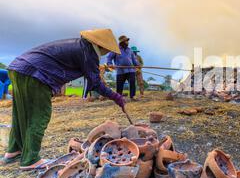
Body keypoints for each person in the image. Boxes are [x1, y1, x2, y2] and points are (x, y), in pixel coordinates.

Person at [0, 29, 126, 170]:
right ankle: (30, 160)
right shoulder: (88, 52)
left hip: (18, 68)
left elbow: (85, 69)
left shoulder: (79, 46)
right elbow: (95, 83)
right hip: (35, 74)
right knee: (40, 116)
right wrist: (116, 97)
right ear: (102, 46)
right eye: (107, 50)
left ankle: (13, 151)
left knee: (20, 114)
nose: (107, 53)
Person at [107, 35, 140, 100]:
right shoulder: (116, 49)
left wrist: (137, 65)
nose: (128, 42)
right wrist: (110, 64)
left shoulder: (130, 50)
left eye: (127, 41)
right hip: (120, 71)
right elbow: (109, 57)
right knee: (119, 85)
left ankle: (132, 96)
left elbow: (134, 59)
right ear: (122, 42)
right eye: (126, 41)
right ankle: (119, 98)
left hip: (130, 70)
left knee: (132, 82)